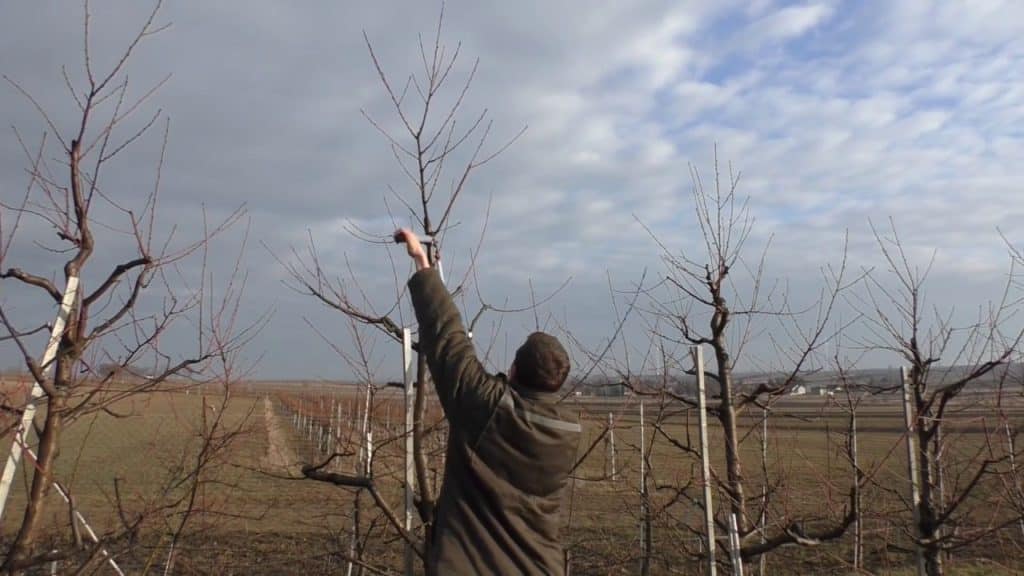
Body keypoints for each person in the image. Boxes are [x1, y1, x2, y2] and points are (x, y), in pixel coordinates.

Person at [395, 228, 581, 576]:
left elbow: (447, 339)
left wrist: (423, 266)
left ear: (513, 370)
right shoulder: (565, 434)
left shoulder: (488, 409)